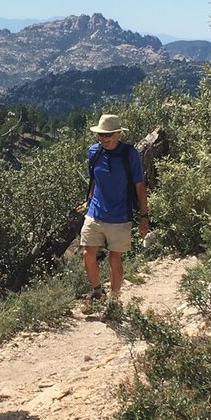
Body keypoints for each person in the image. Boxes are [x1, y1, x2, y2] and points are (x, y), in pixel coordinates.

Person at [80, 114, 149, 309]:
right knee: (88, 254)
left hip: (120, 217)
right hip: (95, 213)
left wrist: (144, 218)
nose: (104, 138)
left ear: (118, 133)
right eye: (101, 134)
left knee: (114, 258)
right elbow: (93, 179)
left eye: (108, 134)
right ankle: (97, 291)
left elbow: (140, 187)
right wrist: (89, 200)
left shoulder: (130, 154)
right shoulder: (94, 152)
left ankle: (114, 301)